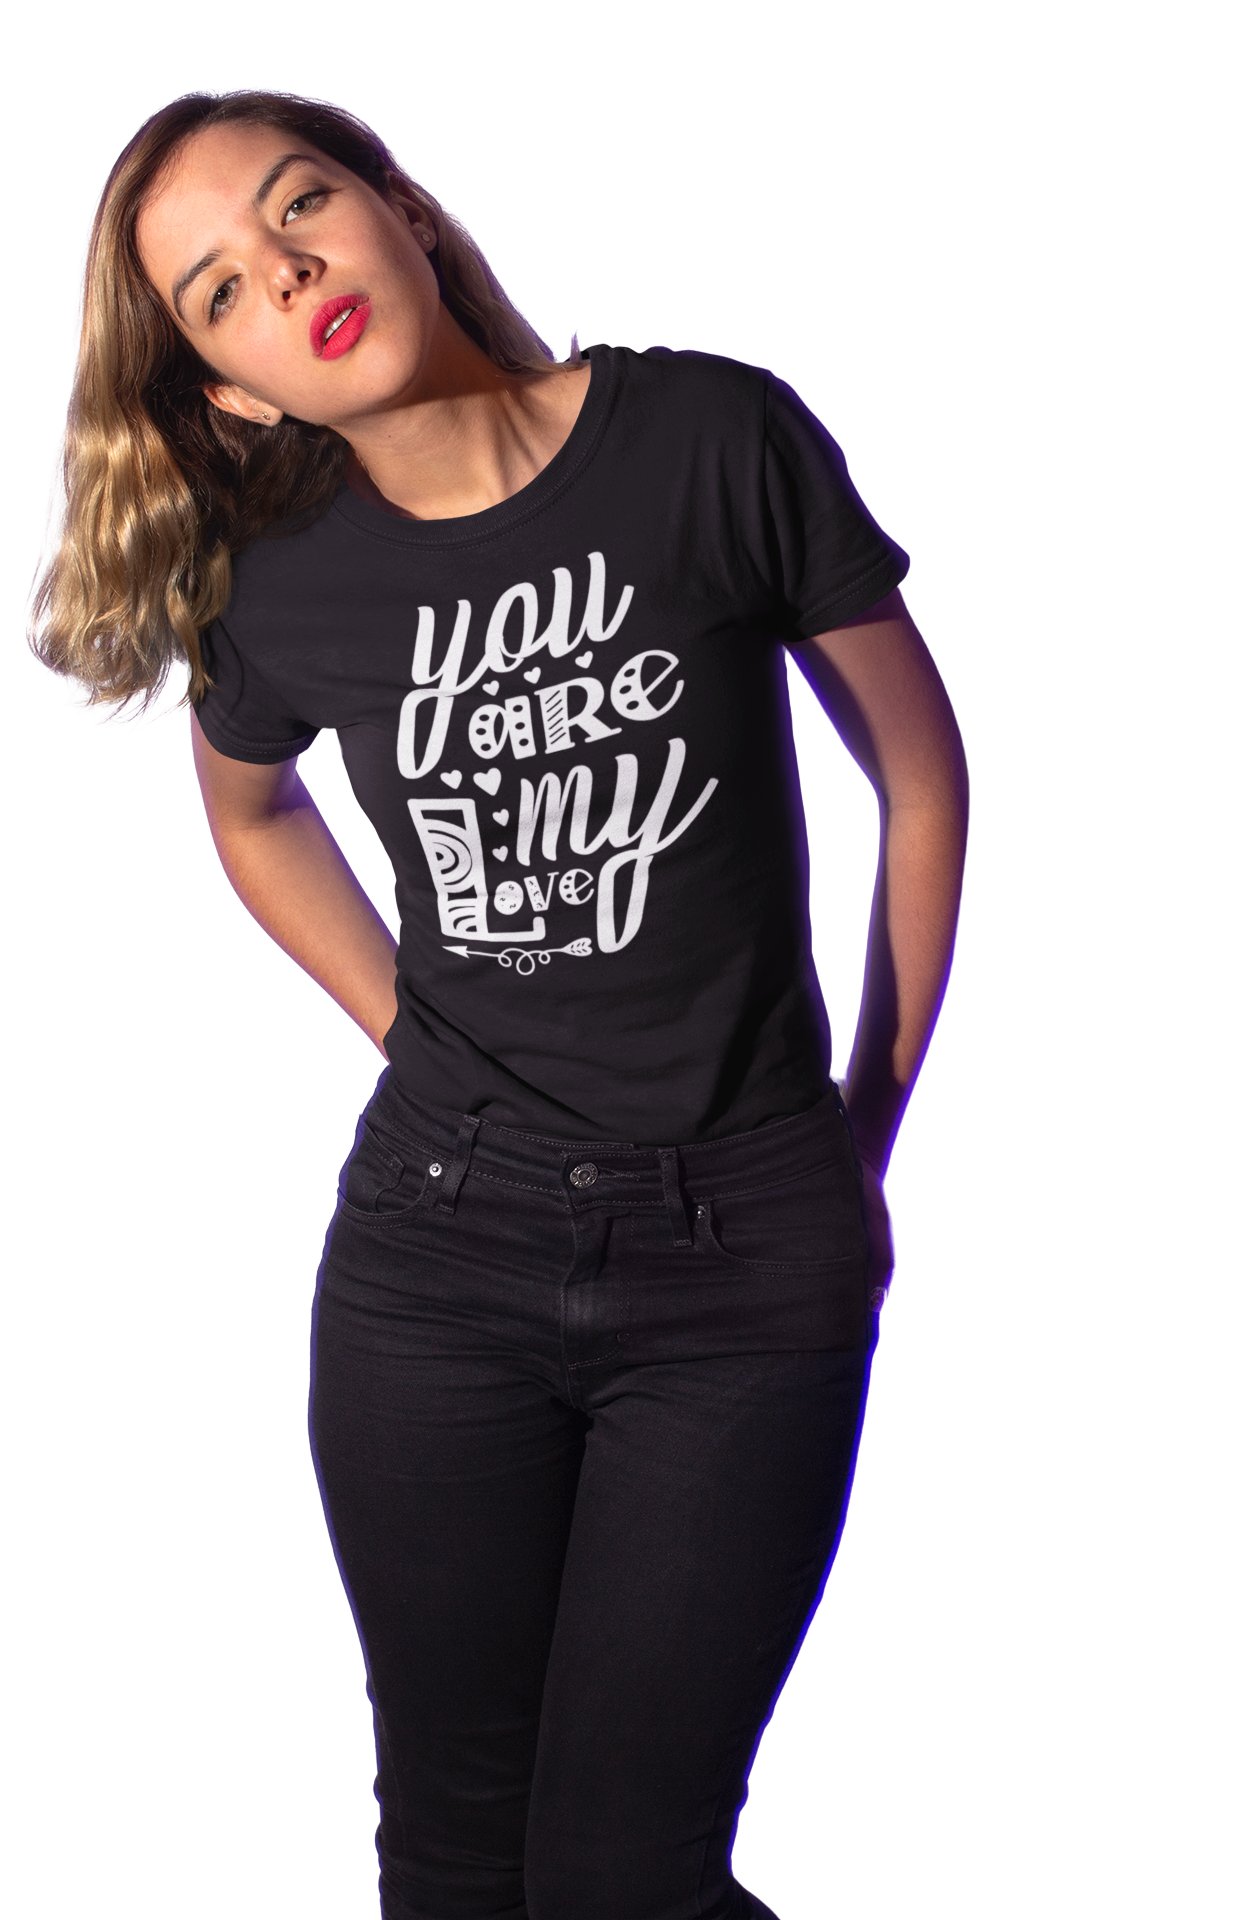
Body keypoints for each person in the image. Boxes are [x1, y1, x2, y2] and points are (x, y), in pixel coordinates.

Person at [30, 87, 968, 1920]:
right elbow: (252, 812)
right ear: (234, 392)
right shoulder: (281, 589)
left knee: (626, 1876)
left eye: (300, 205)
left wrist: (861, 1131)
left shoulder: (705, 437)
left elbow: (920, 778)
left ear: (402, 208)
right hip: (436, 1260)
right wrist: (412, 1030)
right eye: (217, 291)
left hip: (743, 1257)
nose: (280, 272)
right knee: (456, 1860)